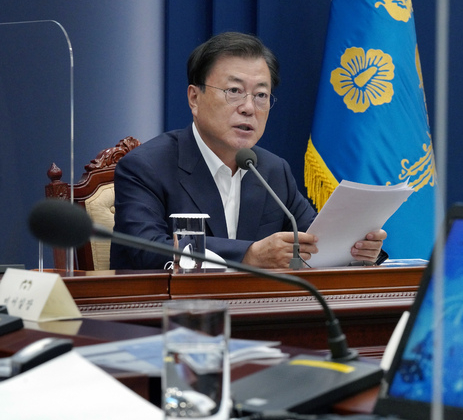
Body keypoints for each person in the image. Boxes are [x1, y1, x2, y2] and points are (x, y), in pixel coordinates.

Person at [110, 32, 387, 270]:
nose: (248, 107)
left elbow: (315, 240)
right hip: (173, 319)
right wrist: (248, 255)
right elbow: (146, 250)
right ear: (194, 98)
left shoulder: (272, 170)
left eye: (261, 95)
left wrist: (357, 251)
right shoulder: (146, 167)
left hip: (259, 316)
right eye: (234, 91)